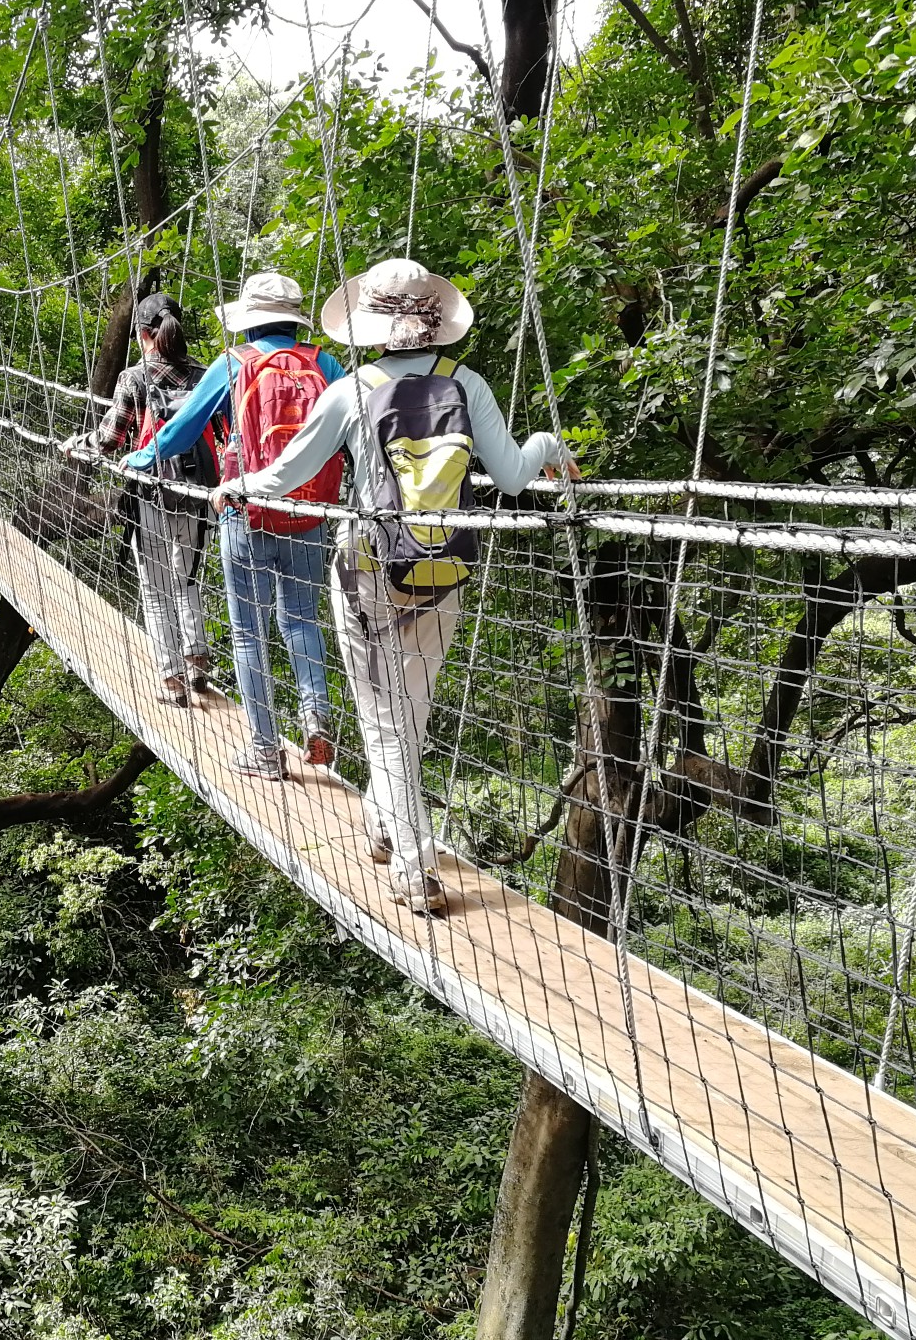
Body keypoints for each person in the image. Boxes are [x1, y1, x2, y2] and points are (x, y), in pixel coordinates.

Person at [212, 259, 578, 914]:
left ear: (371, 325)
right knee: (406, 716)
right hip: (443, 570)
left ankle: (413, 867)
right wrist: (549, 444)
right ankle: (387, 824)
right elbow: (517, 477)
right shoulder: (468, 385)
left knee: (383, 719)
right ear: (439, 323)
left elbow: (287, 472)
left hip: (366, 566)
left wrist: (235, 485)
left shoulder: (351, 389)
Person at [128, 272, 344, 780]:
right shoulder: (326, 364)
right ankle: (316, 716)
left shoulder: (233, 364)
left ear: (248, 321)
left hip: (243, 512)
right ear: (294, 320)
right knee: (301, 621)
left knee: (249, 634)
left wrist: (138, 460)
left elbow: (180, 434)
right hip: (311, 512)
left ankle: (265, 751)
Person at [94, 294, 217, 708]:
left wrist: (82, 444)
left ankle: (172, 679)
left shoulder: (134, 377)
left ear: (144, 334)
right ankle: (197, 660)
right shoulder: (206, 373)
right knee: (187, 578)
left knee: (154, 586)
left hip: (152, 491)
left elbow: (111, 439)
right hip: (198, 491)